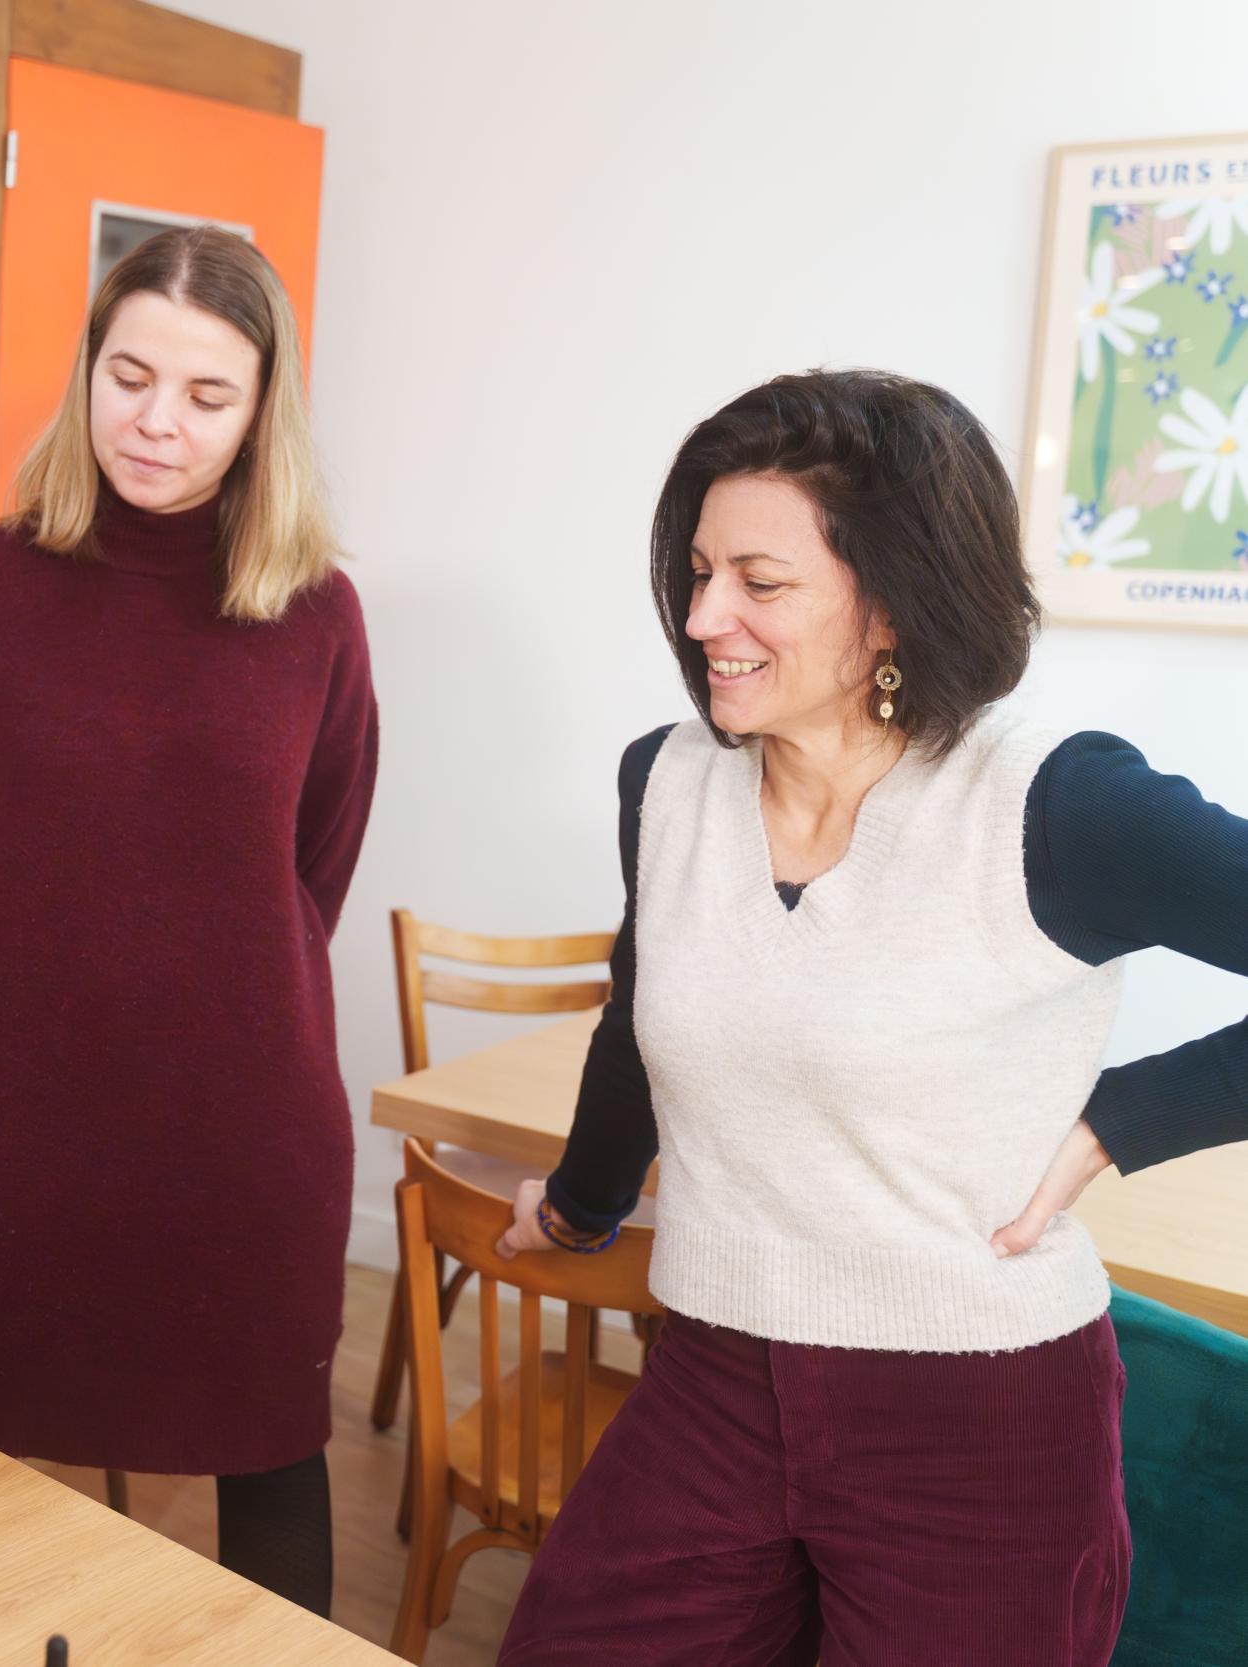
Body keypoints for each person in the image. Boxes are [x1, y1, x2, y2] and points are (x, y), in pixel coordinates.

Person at [492, 370, 1248, 1665]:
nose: (701, 615)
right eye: (695, 571)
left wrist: (1131, 1114)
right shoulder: (666, 783)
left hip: (978, 1418)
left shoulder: (1053, 806)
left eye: (758, 583)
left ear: (894, 601)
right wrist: (579, 1204)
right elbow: (642, 1018)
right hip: (717, 1374)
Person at [0, 226, 378, 1616]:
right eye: (129, 375)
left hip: (243, 1136)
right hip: (5, 1123)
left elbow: (310, 872)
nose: (156, 422)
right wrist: (10, 1006)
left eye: (207, 396)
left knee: (272, 1466)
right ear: (86, 372)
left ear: (262, 410)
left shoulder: (318, 614)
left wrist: (216, 987)